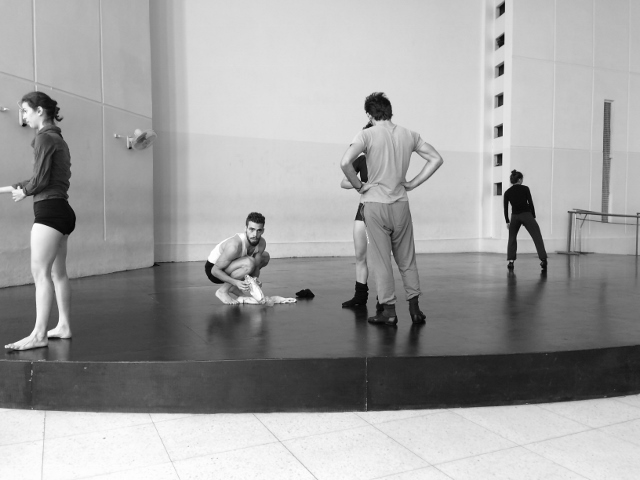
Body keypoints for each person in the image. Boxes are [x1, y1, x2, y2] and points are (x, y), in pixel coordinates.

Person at [340, 92, 443, 326]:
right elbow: (436, 159)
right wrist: (413, 182)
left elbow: (345, 162)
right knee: (407, 259)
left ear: (369, 113)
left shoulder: (366, 134)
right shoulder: (409, 134)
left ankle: (389, 312)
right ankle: (415, 310)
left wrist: (359, 186)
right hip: (401, 205)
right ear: (389, 110)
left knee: (381, 261)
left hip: (375, 206)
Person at [3, 91, 76, 351]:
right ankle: (64, 325)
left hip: (49, 213)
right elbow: (41, 178)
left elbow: (40, 181)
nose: (23, 117)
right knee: (57, 273)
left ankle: (39, 334)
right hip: (62, 212)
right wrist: (9, 189)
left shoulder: (43, 138)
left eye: (25, 111)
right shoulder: (58, 139)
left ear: (39, 111)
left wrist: (25, 191)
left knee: (40, 273)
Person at [340, 121, 374, 308]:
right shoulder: (361, 160)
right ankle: (360, 297)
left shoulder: (388, 161)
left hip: (382, 212)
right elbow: (344, 182)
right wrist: (360, 186)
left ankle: (383, 299)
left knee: (380, 258)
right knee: (360, 255)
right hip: (363, 210)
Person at [205, 212, 270, 305]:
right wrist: (236, 282)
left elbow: (256, 265)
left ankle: (232, 287)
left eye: (259, 230)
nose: (255, 234)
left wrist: (255, 280)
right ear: (245, 229)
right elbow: (214, 271)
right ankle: (222, 291)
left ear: (263, 231)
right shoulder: (234, 246)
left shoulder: (262, 243)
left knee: (265, 256)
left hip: (232, 265)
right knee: (249, 263)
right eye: (251, 229)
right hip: (214, 270)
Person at [503, 169, 547, 270]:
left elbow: (505, 208)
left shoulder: (507, 192)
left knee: (512, 238)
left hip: (514, 216)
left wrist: (507, 221)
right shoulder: (525, 189)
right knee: (536, 236)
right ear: (519, 180)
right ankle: (543, 260)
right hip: (526, 214)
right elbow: (531, 203)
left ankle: (511, 262)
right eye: (522, 179)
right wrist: (533, 216)